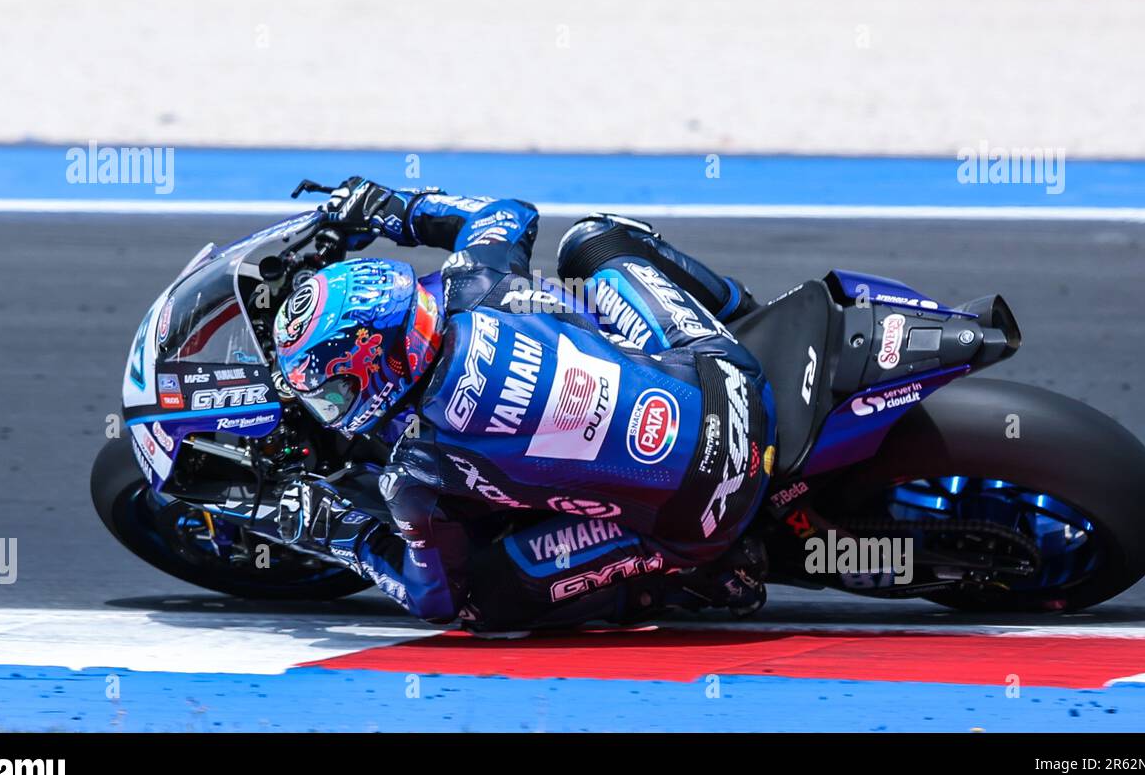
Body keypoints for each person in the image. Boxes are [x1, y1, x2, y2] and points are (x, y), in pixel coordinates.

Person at [272, 177, 777, 631]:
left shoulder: (414, 472)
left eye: (333, 390)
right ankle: (751, 314)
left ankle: (684, 581)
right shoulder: (473, 278)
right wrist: (394, 207)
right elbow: (507, 212)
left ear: (377, 365)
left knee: (479, 604)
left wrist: (343, 536)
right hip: (731, 379)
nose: (328, 403)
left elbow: (435, 601)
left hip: (700, 519)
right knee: (592, 240)